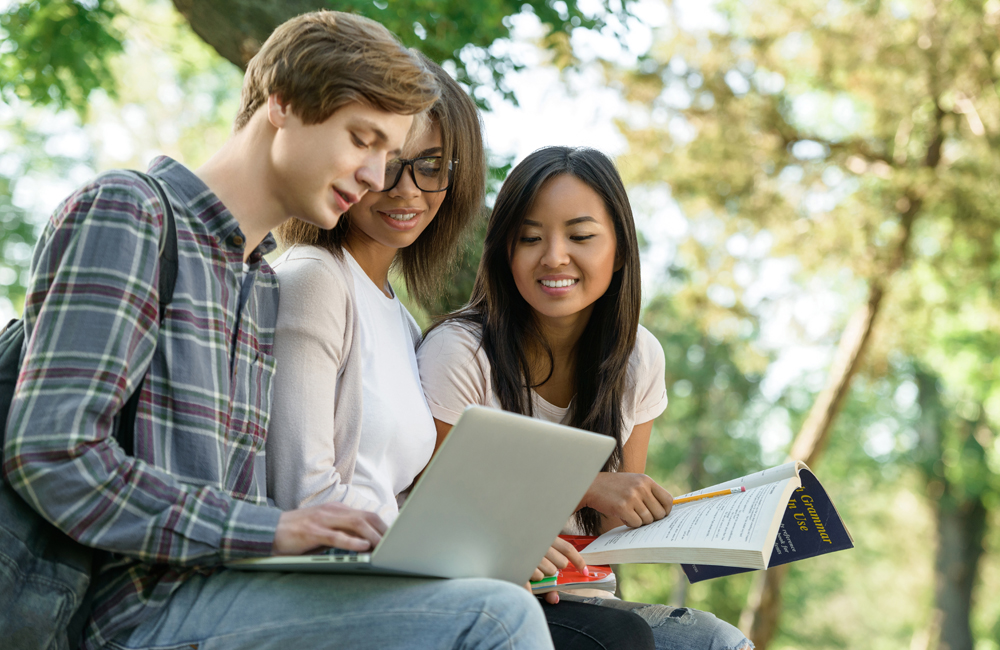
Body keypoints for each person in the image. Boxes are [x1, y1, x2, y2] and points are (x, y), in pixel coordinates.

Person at [3, 11, 553, 650]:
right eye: (362, 139)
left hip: (232, 591)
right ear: (282, 104)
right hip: (128, 616)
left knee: (495, 600)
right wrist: (271, 530)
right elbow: (51, 452)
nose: (378, 177)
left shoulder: (258, 283)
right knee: (491, 617)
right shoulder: (132, 214)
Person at [266, 57, 655, 650]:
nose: (406, 189)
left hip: (415, 579)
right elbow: (303, 497)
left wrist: (492, 551)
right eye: (391, 162)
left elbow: (409, 493)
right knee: (615, 639)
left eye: (430, 166)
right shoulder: (316, 280)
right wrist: (476, 554)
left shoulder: (400, 322)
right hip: (346, 590)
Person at [417, 146, 755, 650]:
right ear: (504, 250)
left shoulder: (639, 357)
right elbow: (429, 504)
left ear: (619, 250)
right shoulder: (460, 352)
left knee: (716, 642)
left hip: (585, 597)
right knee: (620, 637)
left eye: (580, 236)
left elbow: (615, 523)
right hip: (474, 595)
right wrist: (586, 485)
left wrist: (678, 517)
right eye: (530, 237)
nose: (554, 255)